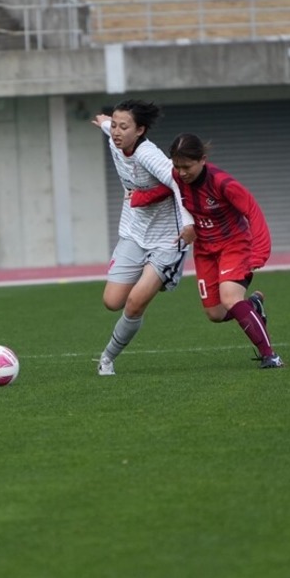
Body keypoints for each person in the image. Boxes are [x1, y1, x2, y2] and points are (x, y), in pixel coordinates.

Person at [133, 133, 282, 368]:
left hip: (234, 244)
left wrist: (260, 251)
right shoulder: (177, 177)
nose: (181, 172)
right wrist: (140, 198)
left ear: (202, 160)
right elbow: (168, 189)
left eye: (187, 167)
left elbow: (252, 210)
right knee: (216, 313)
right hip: (204, 250)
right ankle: (253, 306)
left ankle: (270, 355)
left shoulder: (222, 183)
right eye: (177, 166)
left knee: (230, 298)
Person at [92, 99, 195, 376]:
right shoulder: (115, 140)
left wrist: (189, 224)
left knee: (135, 302)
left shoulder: (148, 154)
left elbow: (178, 181)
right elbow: (107, 128)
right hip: (134, 234)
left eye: (123, 126)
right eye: (115, 125)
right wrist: (103, 122)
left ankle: (107, 358)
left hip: (167, 240)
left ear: (140, 130)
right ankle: (154, 278)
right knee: (112, 301)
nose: (116, 131)